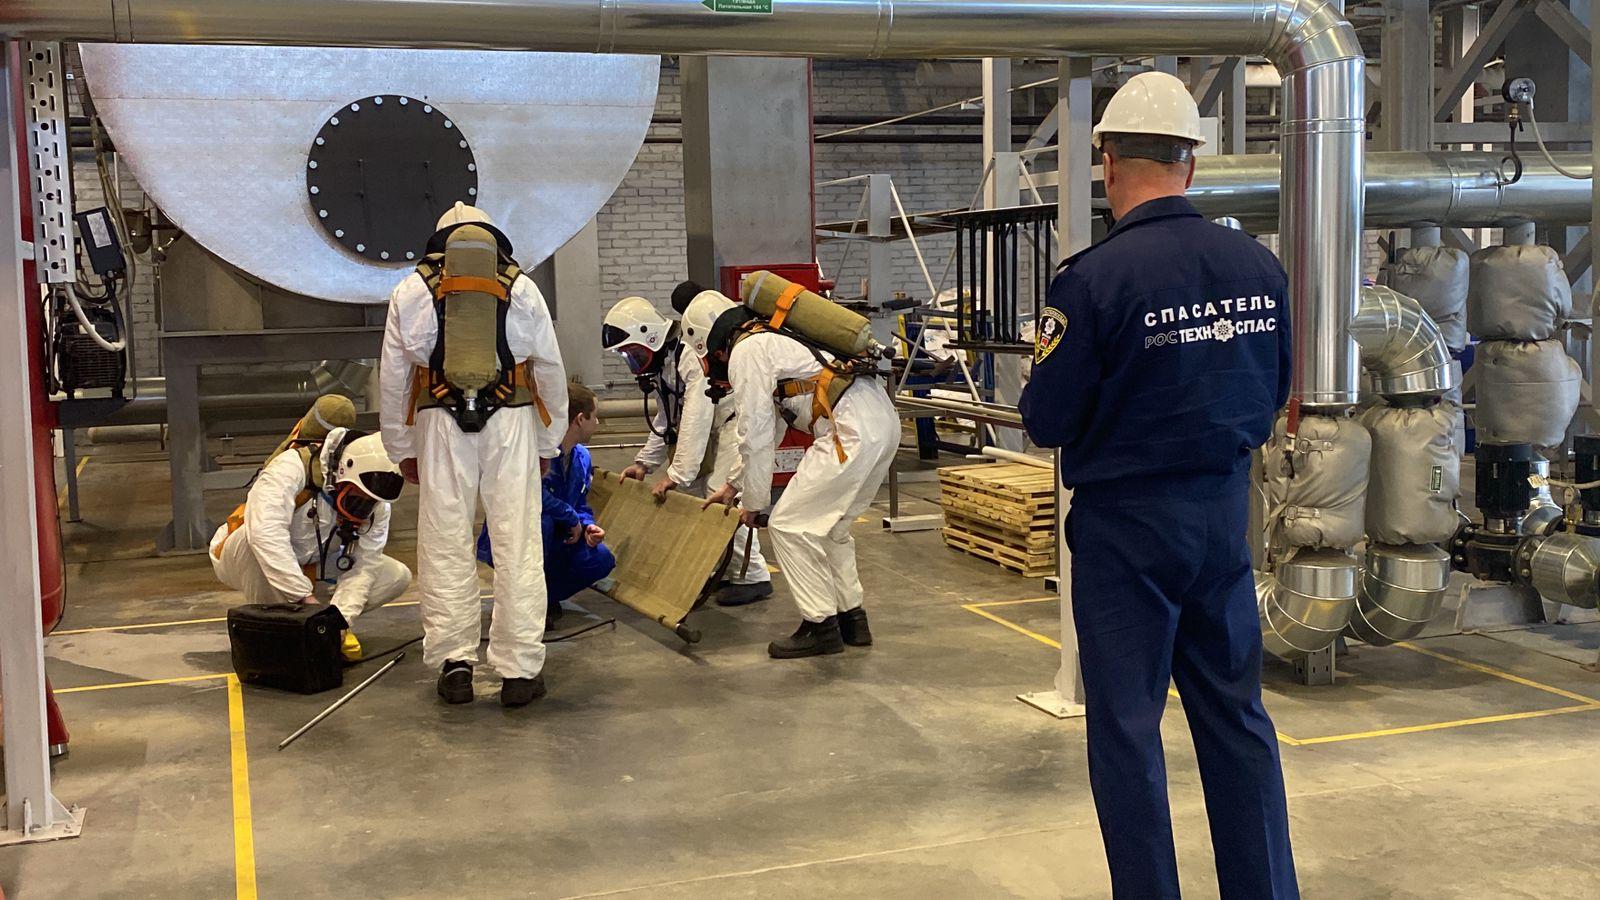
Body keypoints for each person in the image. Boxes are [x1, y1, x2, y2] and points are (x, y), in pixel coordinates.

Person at [1018, 71, 1298, 899]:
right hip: (1222, 519)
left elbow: (1048, 418)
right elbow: (1276, 386)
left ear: (1107, 163)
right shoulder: (1258, 266)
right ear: (1192, 163)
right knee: (1237, 719)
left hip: (1128, 532)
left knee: (1129, 730)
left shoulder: (1091, 280)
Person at [379, 202, 569, 707]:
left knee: (444, 542)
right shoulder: (522, 287)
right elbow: (550, 369)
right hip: (512, 422)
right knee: (518, 543)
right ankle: (519, 672)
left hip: (438, 423)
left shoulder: (411, 290)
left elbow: (393, 377)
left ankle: (455, 665)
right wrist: (548, 442)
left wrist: (402, 447)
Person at [684, 289, 899, 659]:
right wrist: (733, 486)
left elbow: (754, 434)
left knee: (787, 525)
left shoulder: (747, 352)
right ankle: (852, 619)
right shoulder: (775, 339)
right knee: (833, 528)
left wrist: (754, 503)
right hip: (882, 423)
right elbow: (774, 426)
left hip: (850, 432)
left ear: (710, 344)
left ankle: (820, 627)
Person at [604, 293, 772, 605]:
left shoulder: (688, 356)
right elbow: (667, 418)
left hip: (734, 421)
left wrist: (676, 473)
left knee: (720, 492)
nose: (633, 363)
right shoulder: (663, 365)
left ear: (650, 337)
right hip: (717, 426)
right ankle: (723, 568)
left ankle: (753, 576)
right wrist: (644, 463)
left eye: (634, 354)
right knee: (699, 497)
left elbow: (696, 415)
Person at [210, 429, 410, 662]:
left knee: (396, 576)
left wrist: (337, 621)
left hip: (314, 561)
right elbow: (265, 534)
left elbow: (364, 566)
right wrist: (305, 598)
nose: (364, 505)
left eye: (371, 501)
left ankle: (308, 628)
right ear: (342, 473)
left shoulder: (379, 506)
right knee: (253, 541)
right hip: (239, 557)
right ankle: (273, 630)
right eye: (358, 496)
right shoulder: (289, 468)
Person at [477, 383, 615, 621]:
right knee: (543, 522)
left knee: (601, 559)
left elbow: (580, 503)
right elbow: (531, 494)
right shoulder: (536, 453)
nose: (597, 422)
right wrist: (570, 517)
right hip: (521, 536)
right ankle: (524, 604)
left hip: (561, 538)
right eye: (595, 416)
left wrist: (587, 525)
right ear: (580, 419)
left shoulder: (582, 457)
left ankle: (542, 599)